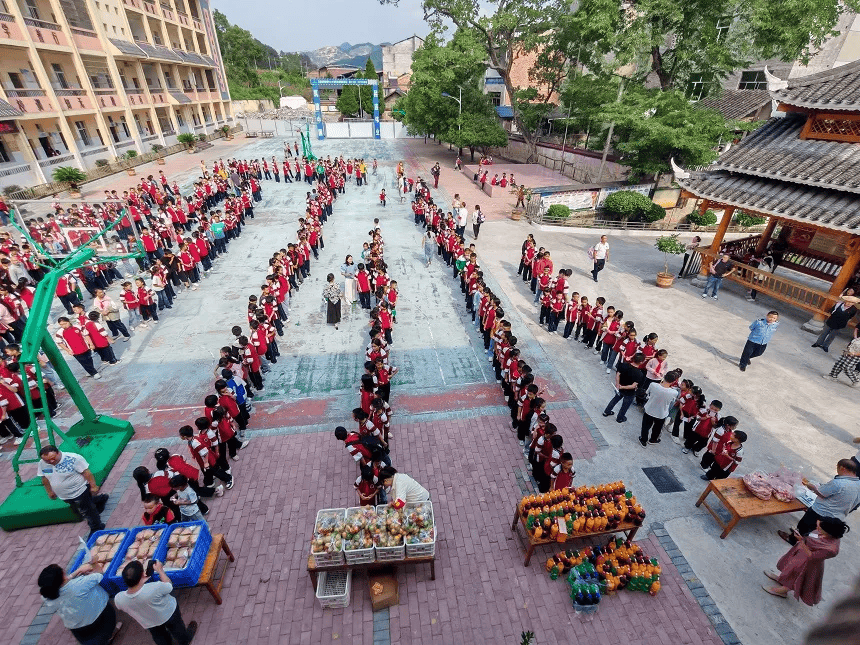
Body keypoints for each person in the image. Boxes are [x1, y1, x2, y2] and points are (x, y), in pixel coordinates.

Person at [762, 517, 847, 606]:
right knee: (790, 568)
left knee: (796, 575)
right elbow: (812, 536)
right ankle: (781, 579)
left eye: (820, 528)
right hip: (802, 552)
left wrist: (801, 542)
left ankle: (782, 591)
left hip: (809, 562)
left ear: (829, 532)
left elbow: (811, 556)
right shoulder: (824, 532)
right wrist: (802, 538)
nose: (817, 529)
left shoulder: (832, 549)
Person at [778, 459, 860, 545]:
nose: (837, 471)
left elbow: (821, 493)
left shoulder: (839, 483)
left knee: (805, 525)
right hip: (837, 516)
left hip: (821, 512)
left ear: (842, 468)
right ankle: (805, 539)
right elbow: (855, 504)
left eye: (837, 468)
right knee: (817, 531)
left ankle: (794, 539)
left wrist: (811, 486)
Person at [114, 560, 197, 645]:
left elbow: (125, 603)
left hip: (149, 622)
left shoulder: (118, 599)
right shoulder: (154, 588)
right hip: (169, 614)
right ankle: (185, 641)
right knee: (177, 629)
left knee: (159, 635)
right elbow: (169, 586)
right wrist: (160, 571)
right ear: (143, 575)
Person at [38, 562, 121, 645]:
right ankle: (109, 634)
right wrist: (95, 563)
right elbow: (100, 576)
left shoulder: (47, 596)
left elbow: (63, 583)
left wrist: (77, 572)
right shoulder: (80, 583)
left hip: (78, 630)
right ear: (63, 576)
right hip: (100, 617)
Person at [38, 446, 108, 536]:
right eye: (47, 461)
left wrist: (93, 486)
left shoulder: (74, 458)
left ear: (58, 453)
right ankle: (101, 499)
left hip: (80, 490)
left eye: (53, 458)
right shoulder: (42, 463)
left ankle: (97, 527)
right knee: (83, 504)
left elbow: (86, 473)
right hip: (64, 495)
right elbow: (44, 478)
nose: (51, 462)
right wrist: (49, 491)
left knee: (87, 511)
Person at [639, 371, 679, 447]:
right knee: (657, 428)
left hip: (649, 409)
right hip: (662, 413)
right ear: (674, 381)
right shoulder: (674, 392)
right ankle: (653, 439)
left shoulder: (653, 385)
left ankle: (643, 440)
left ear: (664, 377)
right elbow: (672, 401)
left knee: (646, 426)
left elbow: (647, 393)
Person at [602, 352, 644, 424]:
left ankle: (606, 412)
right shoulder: (639, 374)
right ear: (641, 362)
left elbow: (618, 374)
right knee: (625, 406)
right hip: (630, 392)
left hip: (620, 387)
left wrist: (618, 384)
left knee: (615, 399)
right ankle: (620, 418)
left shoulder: (624, 365)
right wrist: (622, 387)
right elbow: (633, 386)